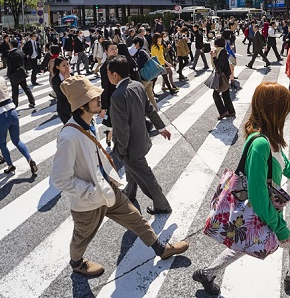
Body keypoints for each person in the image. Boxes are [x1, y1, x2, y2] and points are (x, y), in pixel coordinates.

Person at [193, 82, 290, 295]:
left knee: (243, 244)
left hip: (261, 213)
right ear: (275, 110)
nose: (288, 111)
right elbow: (257, 194)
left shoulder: (270, 138)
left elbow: (286, 167)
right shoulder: (260, 144)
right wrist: (278, 226)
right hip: (263, 212)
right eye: (285, 107)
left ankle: (207, 274)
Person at [50, 75, 188, 278]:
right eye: (93, 97)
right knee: (81, 237)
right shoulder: (69, 137)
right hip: (88, 200)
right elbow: (60, 179)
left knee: (136, 217)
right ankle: (77, 263)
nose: (99, 98)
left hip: (106, 188)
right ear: (81, 105)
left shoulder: (89, 124)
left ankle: (160, 249)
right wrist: (91, 191)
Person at [107, 56, 173, 214]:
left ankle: (162, 205)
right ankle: (130, 192)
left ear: (115, 75)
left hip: (130, 145)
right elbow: (149, 109)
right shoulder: (137, 85)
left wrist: (121, 149)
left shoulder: (117, 96)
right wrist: (161, 127)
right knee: (133, 170)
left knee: (145, 176)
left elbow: (121, 127)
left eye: (108, 73)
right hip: (141, 138)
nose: (107, 75)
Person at [0, 61, 37, 175]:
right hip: (12, 111)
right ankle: (29, 159)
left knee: (2, 143)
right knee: (17, 140)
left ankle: (10, 165)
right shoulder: (0, 79)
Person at [210, 37, 236, 120]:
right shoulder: (222, 51)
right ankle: (231, 111)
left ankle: (223, 112)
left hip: (222, 76)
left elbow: (218, 65)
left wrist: (214, 57)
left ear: (216, 44)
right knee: (225, 93)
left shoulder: (221, 52)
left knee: (215, 94)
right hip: (225, 75)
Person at [6, 40, 36, 109]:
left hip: (14, 73)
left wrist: (9, 75)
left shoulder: (10, 54)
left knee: (15, 90)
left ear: (11, 45)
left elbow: (10, 66)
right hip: (21, 72)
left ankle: (15, 104)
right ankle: (32, 101)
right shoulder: (21, 52)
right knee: (26, 88)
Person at [51, 58, 73, 124]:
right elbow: (63, 94)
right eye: (64, 65)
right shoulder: (55, 80)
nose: (67, 67)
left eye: (67, 64)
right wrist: (66, 80)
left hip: (76, 107)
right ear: (58, 67)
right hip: (64, 109)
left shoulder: (72, 75)